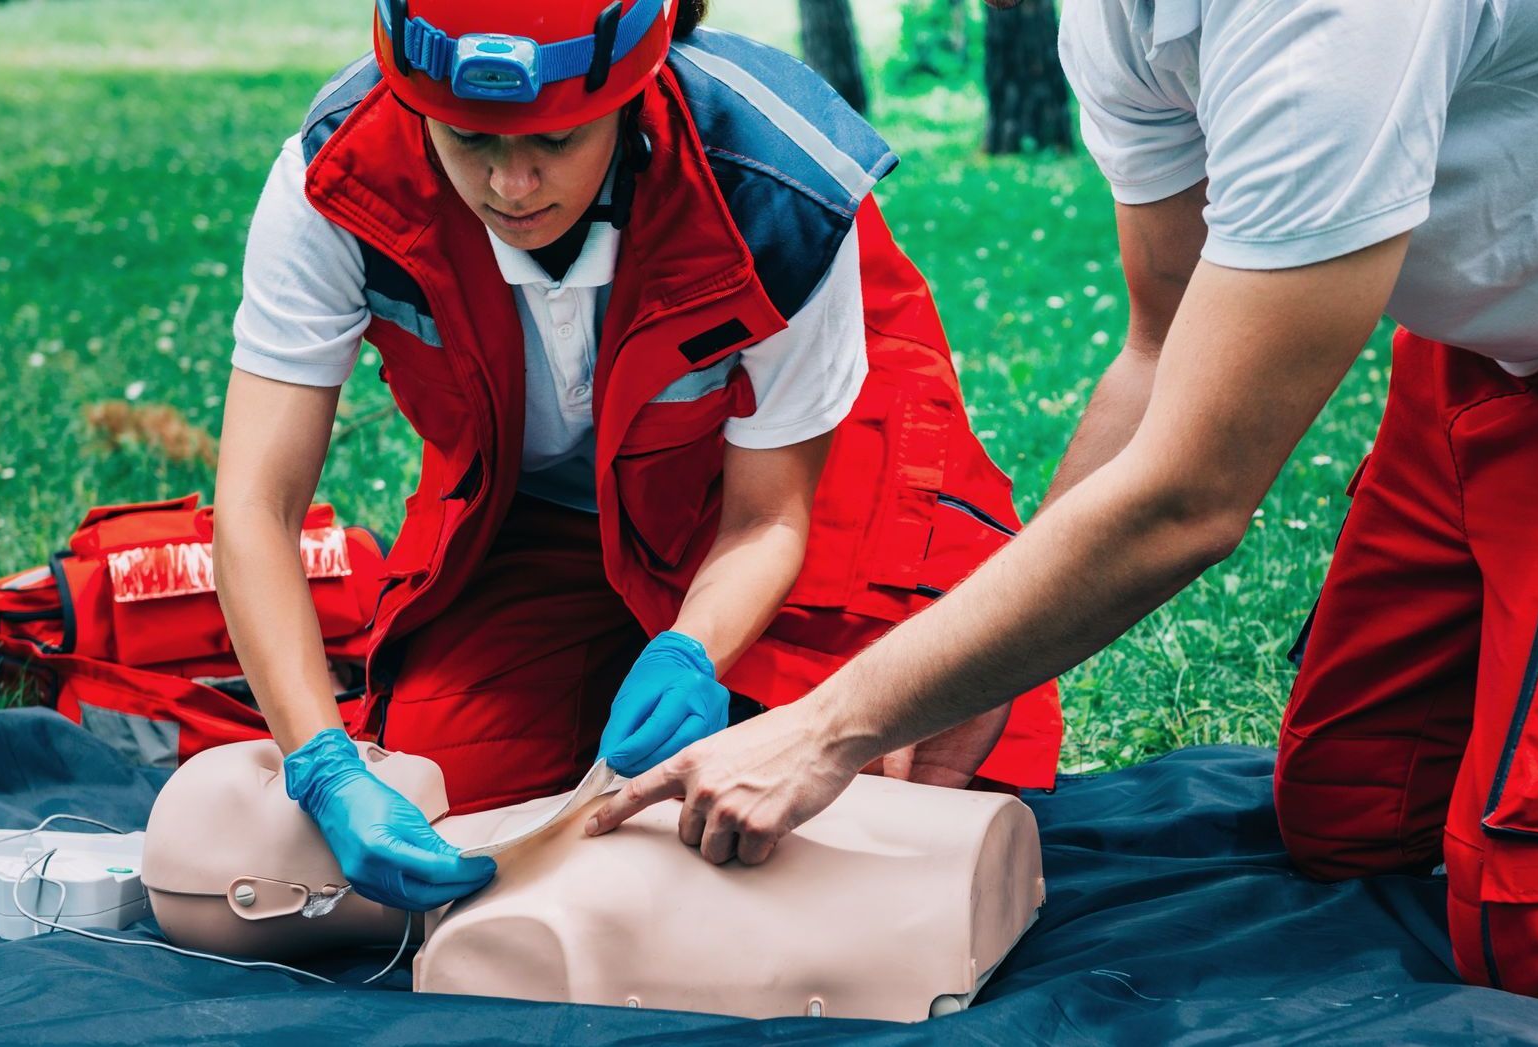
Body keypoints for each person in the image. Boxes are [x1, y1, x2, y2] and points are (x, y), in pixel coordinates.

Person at [588, 0, 1538, 1001]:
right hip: (1465, 363)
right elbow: (1161, 346)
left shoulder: (1331, 20)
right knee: (1347, 819)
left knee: (1534, 936)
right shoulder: (1123, 18)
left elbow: (1190, 496)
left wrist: (827, 726)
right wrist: (981, 676)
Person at [211, 0, 1062, 912]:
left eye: (559, 137)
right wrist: (321, 760)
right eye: (469, 139)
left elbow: (770, 514)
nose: (513, 183)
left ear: (635, 82)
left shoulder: (778, 182)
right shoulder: (335, 180)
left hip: (809, 470)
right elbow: (255, 504)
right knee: (449, 789)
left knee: (875, 796)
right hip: (539, 506)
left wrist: (691, 649)